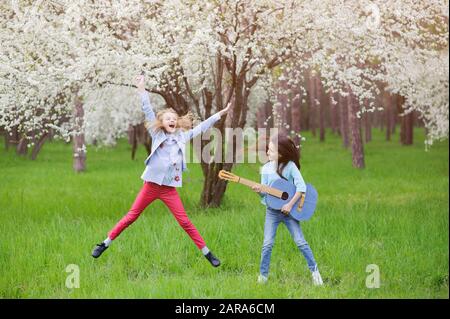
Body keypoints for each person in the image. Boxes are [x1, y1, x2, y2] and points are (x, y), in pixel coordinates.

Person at [91, 75, 230, 267]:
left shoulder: (183, 136)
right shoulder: (156, 135)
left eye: (174, 119)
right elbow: (148, 111)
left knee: (185, 222)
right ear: (162, 123)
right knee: (131, 216)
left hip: (168, 189)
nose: (172, 120)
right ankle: (104, 244)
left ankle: (207, 254)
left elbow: (202, 127)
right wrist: (142, 91)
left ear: (177, 122)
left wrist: (220, 114)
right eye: (168, 119)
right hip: (151, 186)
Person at [251, 135, 323, 284]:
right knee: (267, 244)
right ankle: (263, 277)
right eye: (268, 150)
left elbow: (301, 187)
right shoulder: (265, 168)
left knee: (300, 242)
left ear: (281, 153)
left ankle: (315, 272)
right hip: (272, 212)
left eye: (270, 151)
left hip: (290, 212)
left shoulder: (290, 166)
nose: (267, 153)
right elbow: (265, 193)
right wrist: (259, 191)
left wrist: (290, 205)